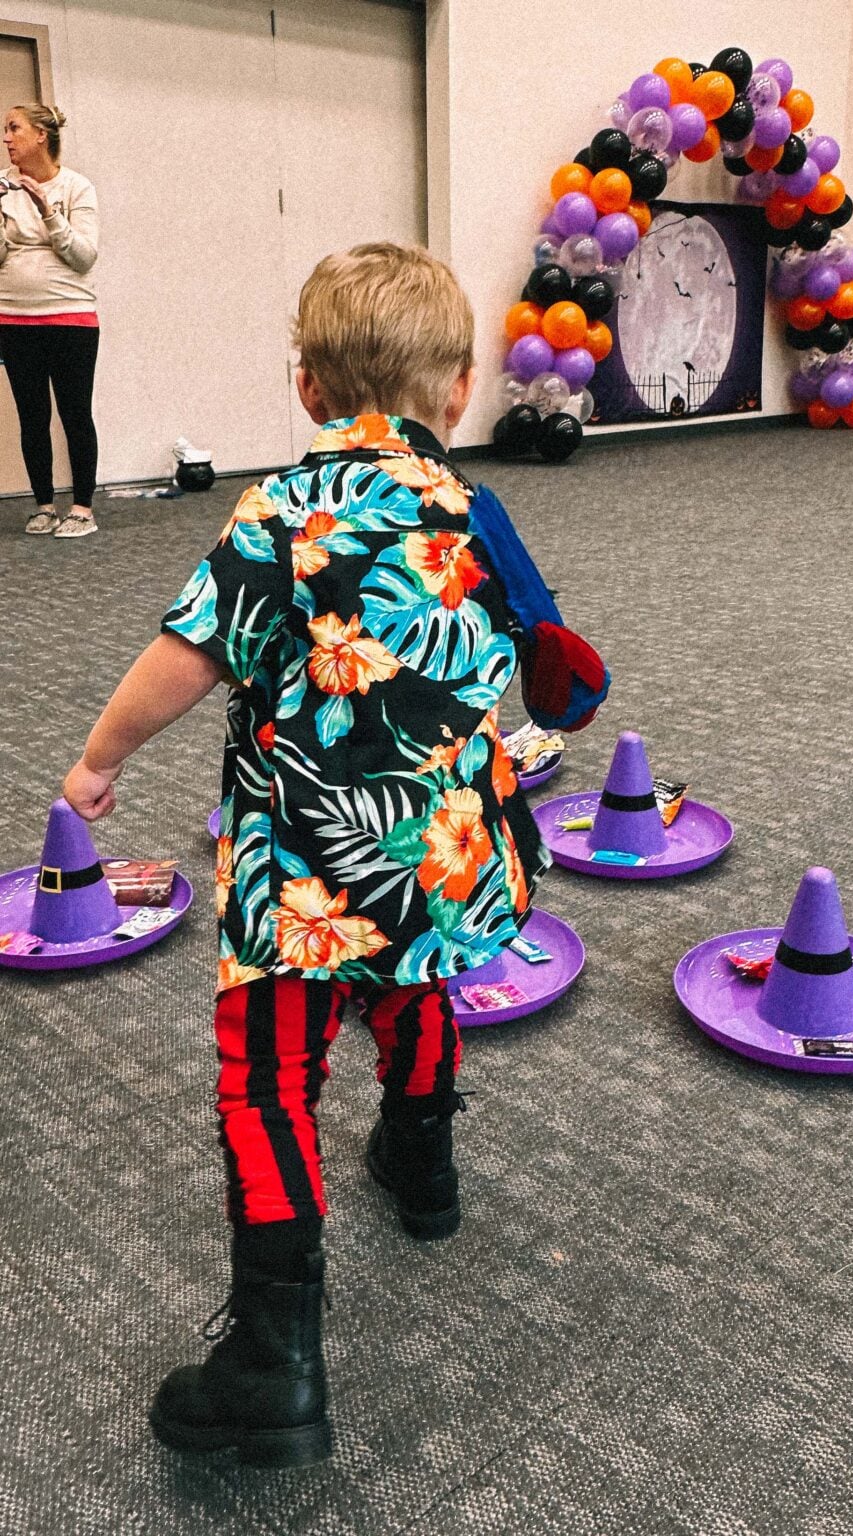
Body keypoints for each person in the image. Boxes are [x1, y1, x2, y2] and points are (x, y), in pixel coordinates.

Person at [62, 242, 607, 1468]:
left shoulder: (276, 516)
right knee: (417, 989)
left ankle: (274, 1358)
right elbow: (560, 678)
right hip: (446, 859)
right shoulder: (478, 512)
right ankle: (423, 1168)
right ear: (459, 390)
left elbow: (186, 661)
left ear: (305, 388)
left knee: (267, 1082)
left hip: (303, 869)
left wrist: (98, 761)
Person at [1, 104, 100, 537]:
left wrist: (46, 208)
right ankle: (44, 506)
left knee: (75, 412)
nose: (7, 138)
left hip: (71, 318)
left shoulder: (77, 187)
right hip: (14, 319)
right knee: (31, 415)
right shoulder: (2, 188)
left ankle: (82, 509)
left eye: (14, 128)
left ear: (41, 135)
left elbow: (84, 257)